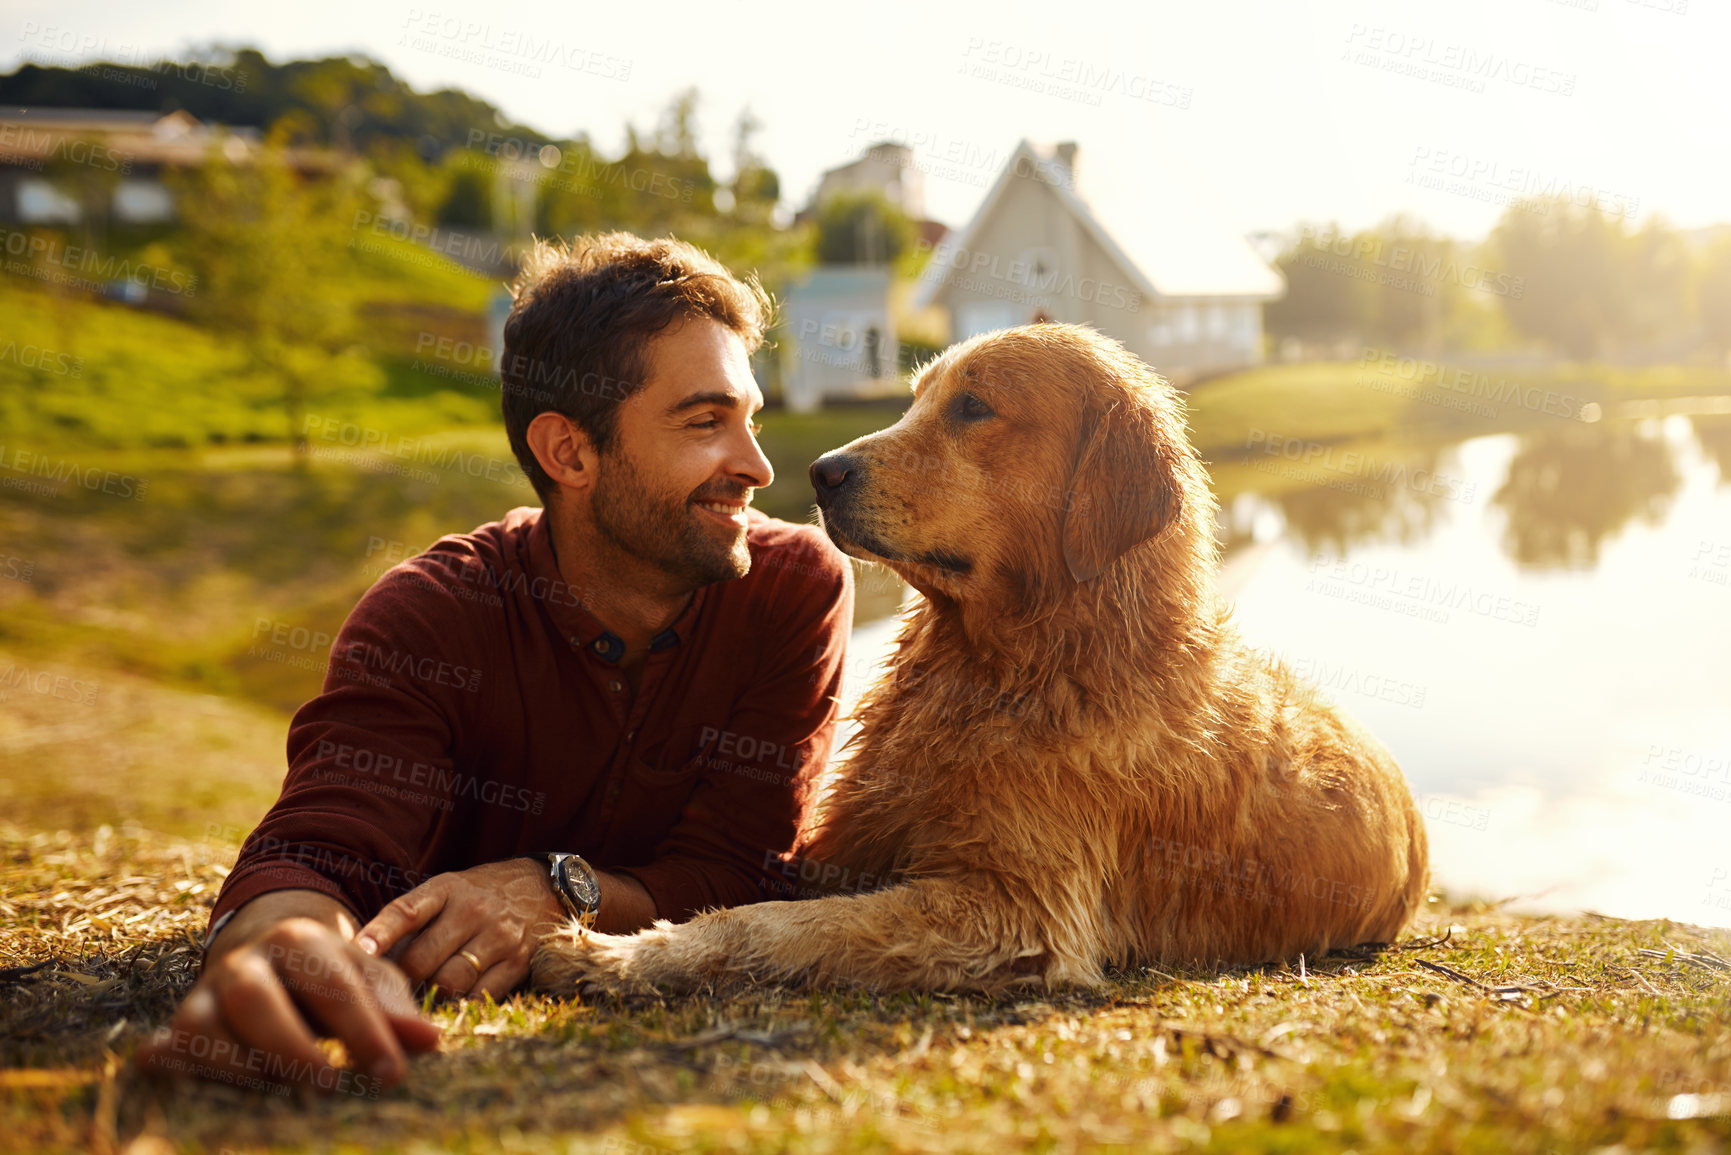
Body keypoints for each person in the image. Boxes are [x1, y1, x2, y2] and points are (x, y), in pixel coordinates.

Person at [136, 232, 853, 1092]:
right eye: (706, 422)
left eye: (749, 419)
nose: (758, 466)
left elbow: (740, 871)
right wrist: (275, 944)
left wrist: (558, 888)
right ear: (569, 453)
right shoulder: (429, 615)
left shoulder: (792, 587)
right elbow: (319, 851)